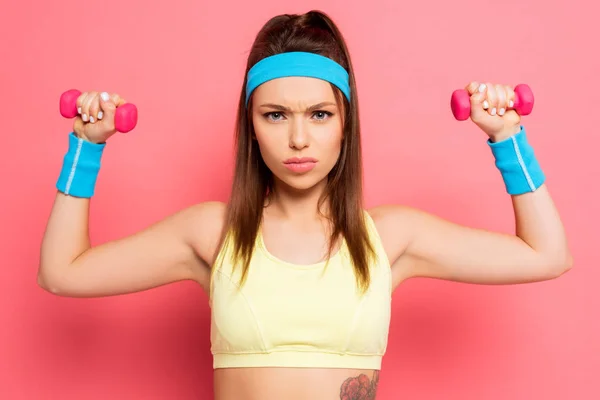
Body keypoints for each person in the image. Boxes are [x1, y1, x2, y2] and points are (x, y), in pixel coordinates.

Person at [38, 9, 573, 400]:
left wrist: (508, 137)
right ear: (251, 125)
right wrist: (86, 149)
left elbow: (546, 255)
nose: (298, 139)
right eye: (275, 115)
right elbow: (63, 272)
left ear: (346, 124)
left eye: (319, 114)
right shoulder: (211, 234)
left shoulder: (390, 239)